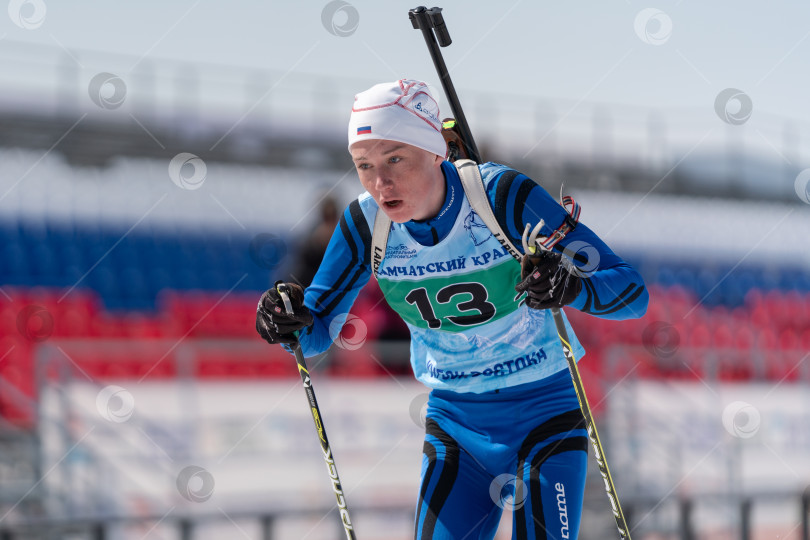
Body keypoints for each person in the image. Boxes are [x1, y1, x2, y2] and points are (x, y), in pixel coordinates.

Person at [256, 79, 648, 540]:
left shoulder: (501, 196)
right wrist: (284, 320)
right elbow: (315, 330)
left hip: (546, 415)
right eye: (364, 166)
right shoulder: (365, 224)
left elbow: (631, 293)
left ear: (435, 149)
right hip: (458, 429)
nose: (380, 183)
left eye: (395, 159)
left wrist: (571, 286)